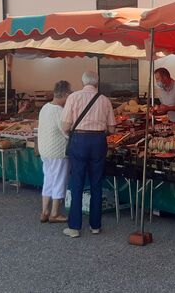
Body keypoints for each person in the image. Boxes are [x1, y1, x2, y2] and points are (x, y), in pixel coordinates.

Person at [61, 71, 116, 238]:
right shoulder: (105, 100)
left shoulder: (73, 97)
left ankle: (74, 227)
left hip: (79, 140)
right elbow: (112, 128)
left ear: (82, 82)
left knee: (76, 183)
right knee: (96, 183)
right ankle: (95, 225)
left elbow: (65, 125)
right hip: (99, 142)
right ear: (97, 83)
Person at [37, 80, 72, 224]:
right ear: (64, 94)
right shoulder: (60, 111)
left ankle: (44, 211)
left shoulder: (45, 107)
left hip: (45, 150)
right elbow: (66, 131)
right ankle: (55, 213)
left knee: (48, 180)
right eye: (69, 93)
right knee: (59, 181)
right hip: (58, 151)